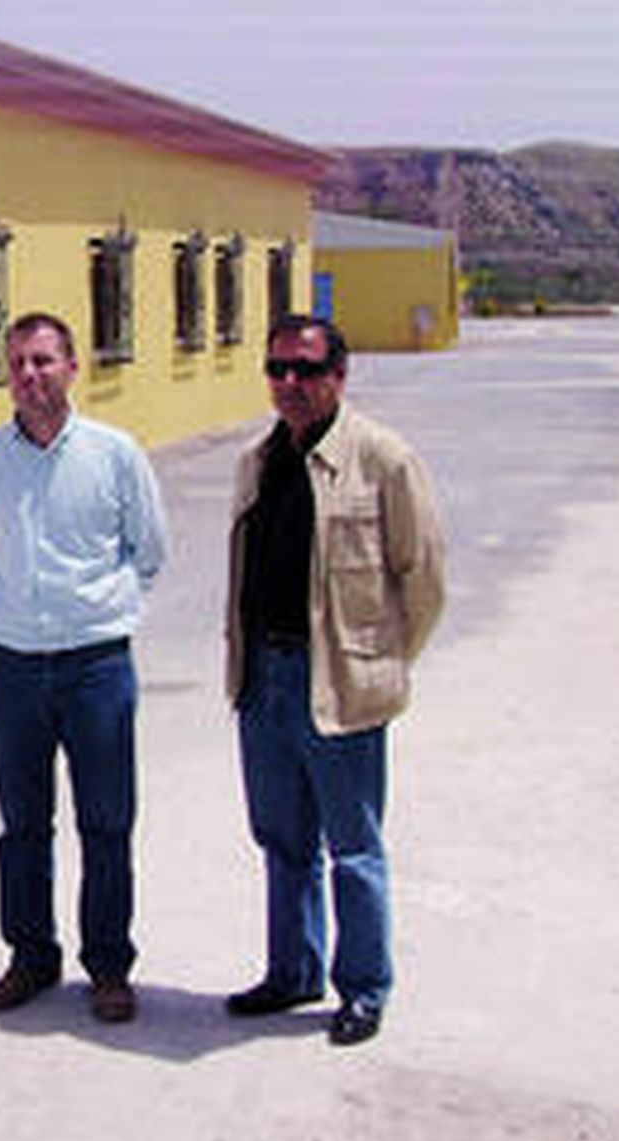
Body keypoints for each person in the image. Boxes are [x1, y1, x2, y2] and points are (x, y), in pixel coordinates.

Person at [224, 313, 445, 1046]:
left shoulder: (383, 459)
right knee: (282, 839)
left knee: (353, 847)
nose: (290, 383)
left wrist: (379, 664)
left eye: (307, 369)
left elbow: (424, 579)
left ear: (340, 377)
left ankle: (364, 987)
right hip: (265, 678)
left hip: (340, 683)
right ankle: (292, 970)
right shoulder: (258, 460)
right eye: (278, 369)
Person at [0, 311, 167, 1024]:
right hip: (10, 666)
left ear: (73, 367)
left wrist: (99, 609)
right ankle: (30, 956)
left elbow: (149, 549)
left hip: (96, 665)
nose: (29, 374)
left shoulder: (115, 454)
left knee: (106, 822)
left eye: (43, 360)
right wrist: (16, 617)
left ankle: (108, 966)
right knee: (22, 824)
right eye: (17, 361)